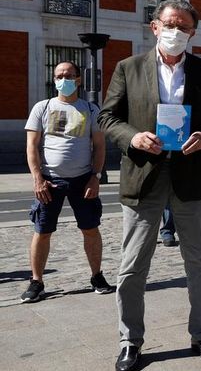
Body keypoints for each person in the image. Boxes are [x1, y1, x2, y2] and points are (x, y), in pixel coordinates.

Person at [98, 0, 201, 371]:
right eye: (170, 24)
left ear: (193, 33)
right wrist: (132, 137)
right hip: (144, 176)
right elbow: (108, 117)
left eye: (184, 27)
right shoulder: (129, 67)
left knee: (199, 262)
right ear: (154, 27)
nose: (176, 32)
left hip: (190, 177)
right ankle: (129, 341)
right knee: (132, 265)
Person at [21, 61, 114, 303]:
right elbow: (32, 146)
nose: (64, 79)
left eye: (69, 75)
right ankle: (36, 281)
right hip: (49, 180)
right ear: (54, 79)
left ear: (78, 80)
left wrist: (96, 177)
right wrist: (37, 178)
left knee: (91, 229)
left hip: (83, 180)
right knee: (42, 231)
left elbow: (100, 145)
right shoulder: (42, 108)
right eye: (60, 75)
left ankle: (97, 276)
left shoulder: (90, 109)